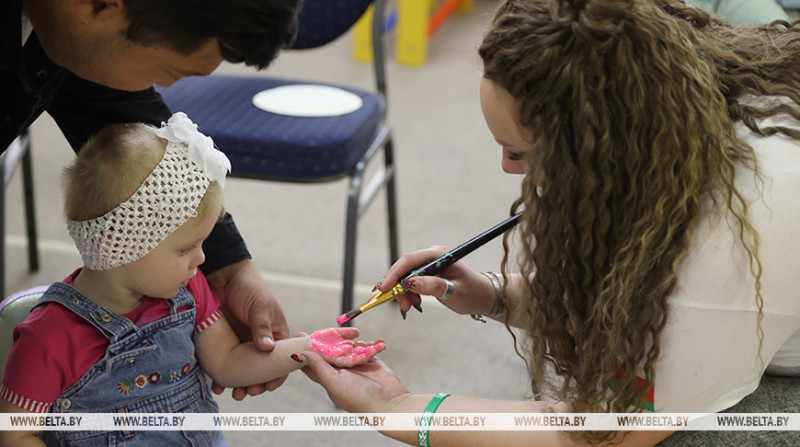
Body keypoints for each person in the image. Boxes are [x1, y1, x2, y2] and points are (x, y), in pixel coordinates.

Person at [302, 0, 800, 445]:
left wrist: (399, 409)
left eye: (518, 152)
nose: (506, 169)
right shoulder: (665, 118)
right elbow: (618, 304)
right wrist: (490, 293)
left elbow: (606, 434)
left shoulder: (735, 232)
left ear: (592, 145)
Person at [0, 112, 386, 446]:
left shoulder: (187, 289)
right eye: (186, 248)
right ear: (120, 242)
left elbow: (229, 362)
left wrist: (309, 347)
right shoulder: (48, 337)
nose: (202, 259)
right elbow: (15, 432)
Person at [2, 0, 302, 399]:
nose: (164, 87)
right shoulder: (50, 338)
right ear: (98, 6)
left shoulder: (79, 35)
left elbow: (113, 112)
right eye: (167, 71)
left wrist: (228, 267)